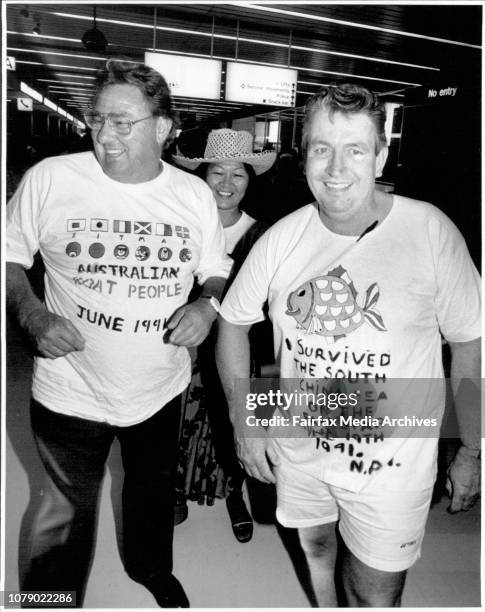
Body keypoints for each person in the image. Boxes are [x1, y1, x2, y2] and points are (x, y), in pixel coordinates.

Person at [215, 83, 481, 607]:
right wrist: (248, 427)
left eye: (355, 149)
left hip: (392, 465)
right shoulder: (280, 239)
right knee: (316, 551)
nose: (336, 168)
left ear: (380, 155)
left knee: (375, 597)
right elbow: (231, 324)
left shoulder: (430, 231)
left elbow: (470, 342)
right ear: (304, 156)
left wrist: (473, 448)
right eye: (322, 149)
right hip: (299, 449)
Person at [6, 58, 232, 608]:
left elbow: (215, 267)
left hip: (159, 385)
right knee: (63, 507)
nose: (104, 135)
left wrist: (207, 304)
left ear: (162, 128)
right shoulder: (52, 180)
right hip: (70, 385)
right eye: (97, 119)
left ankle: (150, 567)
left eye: (122, 122)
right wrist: (34, 314)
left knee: (151, 490)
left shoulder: (192, 195)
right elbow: (8, 257)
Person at [172, 129, 275, 542]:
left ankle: (233, 493)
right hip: (185, 343)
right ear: (202, 176)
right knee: (178, 419)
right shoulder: (181, 225)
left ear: (251, 180)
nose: (227, 184)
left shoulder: (262, 235)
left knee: (229, 420)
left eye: (239, 174)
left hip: (235, 347)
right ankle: (175, 488)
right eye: (217, 173)